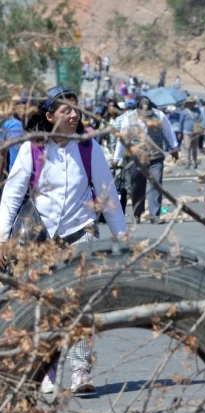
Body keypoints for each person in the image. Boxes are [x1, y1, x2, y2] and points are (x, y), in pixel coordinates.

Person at [0, 87, 128, 394]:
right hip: (42, 236)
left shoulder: (88, 147)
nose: (73, 115)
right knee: (47, 302)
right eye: (65, 110)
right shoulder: (35, 148)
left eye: (75, 109)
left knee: (78, 300)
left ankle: (81, 371)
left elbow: (107, 194)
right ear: (49, 116)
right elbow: (12, 194)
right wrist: (3, 239)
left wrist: (121, 237)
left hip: (81, 230)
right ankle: (48, 370)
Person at [114, 96, 180, 224]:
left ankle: (155, 215)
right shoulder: (129, 118)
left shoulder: (159, 116)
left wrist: (175, 147)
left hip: (155, 156)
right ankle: (137, 213)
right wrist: (117, 158)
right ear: (137, 109)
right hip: (136, 158)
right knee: (136, 186)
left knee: (156, 183)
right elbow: (122, 138)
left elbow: (169, 131)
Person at [1, 98, 32, 172]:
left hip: (33, 176)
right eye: (20, 107)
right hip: (13, 174)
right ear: (15, 108)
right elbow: (1, 152)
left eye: (25, 107)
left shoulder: (35, 124)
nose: (22, 111)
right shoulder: (9, 124)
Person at [178, 97, 205, 169]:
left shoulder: (197, 111)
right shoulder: (184, 112)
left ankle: (195, 162)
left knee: (194, 148)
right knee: (187, 147)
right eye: (189, 103)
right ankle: (187, 162)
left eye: (191, 103)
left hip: (195, 132)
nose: (190, 104)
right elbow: (181, 123)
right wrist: (180, 132)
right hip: (186, 131)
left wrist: (202, 128)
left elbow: (201, 120)